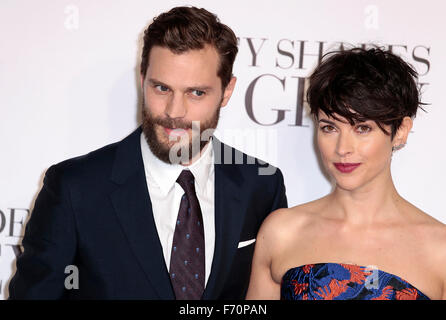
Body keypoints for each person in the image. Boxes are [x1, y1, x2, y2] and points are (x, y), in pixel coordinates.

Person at [8, 6, 287, 299]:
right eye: (162, 88)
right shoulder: (74, 188)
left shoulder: (261, 186)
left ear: (227, 91)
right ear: (142, 79)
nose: (174, 112)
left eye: (196, 93)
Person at [246, 47, 446, 300]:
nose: (342, 149)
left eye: (362, 128)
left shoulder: (439, 251)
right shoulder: (282, 232)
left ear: (401, 131)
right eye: (329, 127)